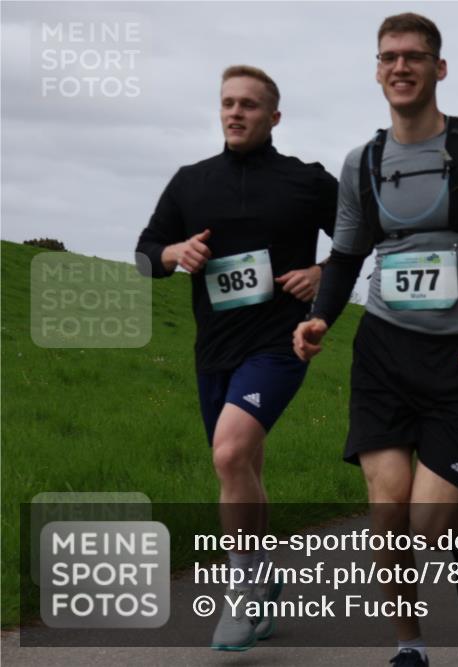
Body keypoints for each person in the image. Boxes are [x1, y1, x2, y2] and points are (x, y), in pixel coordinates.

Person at [292, 13, 458, 667]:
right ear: (377, 70)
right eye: (388, 57)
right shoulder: (363, 163)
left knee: (425, 526)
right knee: (387, 514)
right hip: (383, 351)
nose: (400, 66)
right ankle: (409, 644)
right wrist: (322, 316)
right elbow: (346, 256)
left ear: (439, 68)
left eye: (413, 56)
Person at [135, 66, 338, 651]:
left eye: (249, 104)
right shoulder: (190, 182)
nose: (235, 112)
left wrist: (322, 273)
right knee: (241, 466)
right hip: (214, 348)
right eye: (227, 102)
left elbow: (362, 241)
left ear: (274, 117)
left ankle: (243, 592)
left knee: (228, 452)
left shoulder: (307, 181)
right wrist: (175, 252)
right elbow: (145, 257)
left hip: (280, 343)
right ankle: (265, 579)